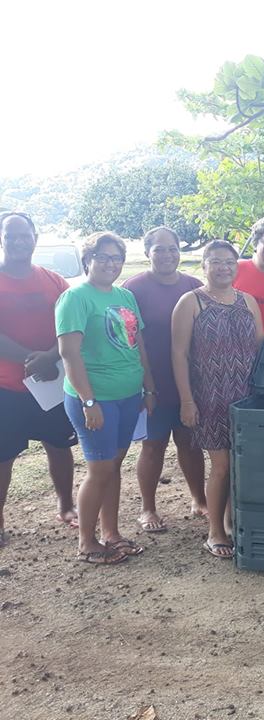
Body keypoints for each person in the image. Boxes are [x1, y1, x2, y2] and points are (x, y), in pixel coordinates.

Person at [57, 232, 157, 564]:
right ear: (88, 260)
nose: (110, 264)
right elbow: (70, 355)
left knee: (113, 466)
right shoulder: (76, 298)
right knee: (99, 469)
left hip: (128, 395)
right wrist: (88, 401)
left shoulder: (125, 296)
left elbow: (138, 345)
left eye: (116, 258)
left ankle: (111, 533)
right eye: (103, 257)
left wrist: (149, 387)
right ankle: (87, 542)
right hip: (95, 399)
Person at [172, 240, 264, 559]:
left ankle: (232, 520)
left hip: (246, 397)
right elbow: (179, 354)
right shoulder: (191, 302)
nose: (224, 267)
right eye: (216, 261)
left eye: (229, 262)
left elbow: (261, 346)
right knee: (221, 466)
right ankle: (215, 532)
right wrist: (187, 400)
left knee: (242, 466)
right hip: (210, 398)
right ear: (204, 265)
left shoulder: (248, 301)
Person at [0, 211, 77, 544]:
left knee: (59, 445)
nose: (18, 241)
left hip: (51, 383)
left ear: (35, 237)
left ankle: (65, 505)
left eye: (23, 235)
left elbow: (70, 323)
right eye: (10, 235)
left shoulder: (54, 280)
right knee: (3, 455)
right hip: (7, 385)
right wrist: (31, 360)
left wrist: (51, 356)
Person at [123, 226, 207, 530]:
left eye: (172, 248)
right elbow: (129, 340)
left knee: (189, 442)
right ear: (147, 253)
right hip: (153, 382)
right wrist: (147, 386)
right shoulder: (133, 289)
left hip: (189, 381)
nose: (167, 255)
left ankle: (200, 500)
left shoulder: (195, 286)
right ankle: (147, 508)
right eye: (159, 249)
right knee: (153, 444)